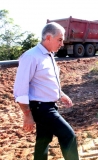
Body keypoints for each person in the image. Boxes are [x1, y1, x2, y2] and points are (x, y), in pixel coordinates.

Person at [13, 22, 79, 160]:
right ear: (48, 37)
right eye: (59, 39)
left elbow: (46, 81)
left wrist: (61, 94)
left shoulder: (49, 55)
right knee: (68, 135)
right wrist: (27, 115)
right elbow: (20, 88)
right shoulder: (31, 56)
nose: (62, 43)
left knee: (43, 140)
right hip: (41, 108)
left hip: (49, 105)